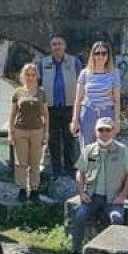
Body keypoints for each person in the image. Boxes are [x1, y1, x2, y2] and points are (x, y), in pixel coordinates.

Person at [68, 117, 128, 254]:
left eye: (107, 130)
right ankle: (76, 252)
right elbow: (80, 172)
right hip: (92, 196)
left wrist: (122, 196)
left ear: (113, 131)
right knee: (79, 216)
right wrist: (82, 192)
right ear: (96, 132)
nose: (104, 133)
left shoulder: (122, 150)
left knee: (117, 219)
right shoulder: (89, 150)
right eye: (101, 130)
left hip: (113, 198)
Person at [38, 36, 83, 177]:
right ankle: (56, 169)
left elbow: (82, 83)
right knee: (53, 140)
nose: (56, 47)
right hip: (50, 107)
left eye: (59, 44)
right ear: (50, 47)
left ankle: (70, 168)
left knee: (69, 138)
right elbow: (37, 84)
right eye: (54, 44)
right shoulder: (42, 63)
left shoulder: (74, 62)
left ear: (65, 46)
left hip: (70, 106)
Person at [7, 63, 49, 202]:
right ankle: (22, 189)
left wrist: (46, 132)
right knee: (21, 162)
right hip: (20, 130)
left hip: (37, 130)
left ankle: (34, 189)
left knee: (35, 162)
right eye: (28, 75)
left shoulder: (41, 92)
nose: (30, 78)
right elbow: (12, 114)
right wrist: (10, 132)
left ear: (37, 76)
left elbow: (45, 114)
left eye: (33, 75)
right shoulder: (17, 92)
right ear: (23, 76)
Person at [72, 41, 122, 148]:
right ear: (92, 55)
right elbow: (78, 98)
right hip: (88, 113)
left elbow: (117, 100)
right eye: (97, 53)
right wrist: (75, 119)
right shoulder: (84, 73)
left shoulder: (114, 73)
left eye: (104, 53)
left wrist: (117, 120)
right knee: (88, 148)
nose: (100, 56)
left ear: (108, 56)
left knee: (107, 147)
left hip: (106, 113)